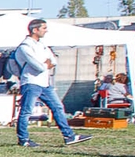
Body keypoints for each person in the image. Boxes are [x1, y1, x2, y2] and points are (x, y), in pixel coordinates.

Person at [14, 19, 90, 149]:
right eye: (43, 28)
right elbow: (38, 66)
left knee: (58, 107)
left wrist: (46, 64)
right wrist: (45, 64)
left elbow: (53, 60)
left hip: (44, 83)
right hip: (31, 82)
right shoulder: (25, 47)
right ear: (35, 30)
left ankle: (69, 136)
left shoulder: (42, 45)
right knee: (26, 111)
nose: (46, 30)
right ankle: (23, 139)